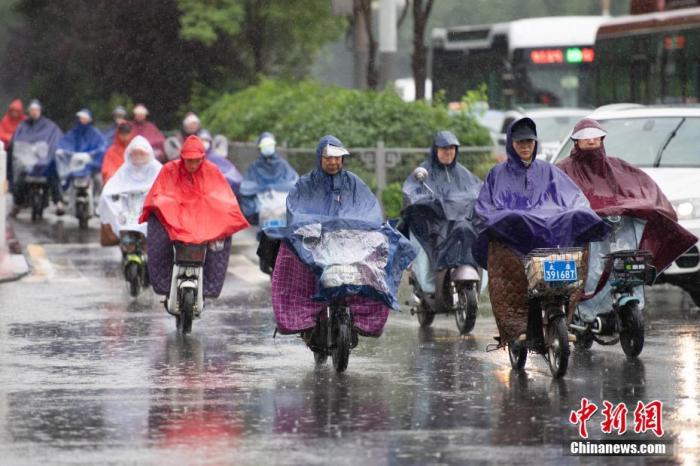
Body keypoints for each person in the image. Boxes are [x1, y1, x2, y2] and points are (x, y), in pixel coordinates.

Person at [474, 117, 609, 344]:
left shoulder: (548, 171)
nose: (526, 147)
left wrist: (577, 213)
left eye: (530, 142)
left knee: (578, 219)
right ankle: (519, 327)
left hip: (552, 239)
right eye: (520, 143)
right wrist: (511, 219)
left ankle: (561, 317)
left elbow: (574, 198)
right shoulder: (497, 174)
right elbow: (486, 208)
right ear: (511, 144)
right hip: (515, 242)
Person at [270, 135, 413, 342]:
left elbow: (369, 209)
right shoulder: (305, 184)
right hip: (316, 242)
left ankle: (363, 315)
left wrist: (357, 226)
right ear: (320, 158)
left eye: (338, 158)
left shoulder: (353, 182)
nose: (333, 162)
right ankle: (301, 315)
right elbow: (296, 210)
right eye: (329, 158)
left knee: (385, 251)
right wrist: (314, 226)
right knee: (288, 252)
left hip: (348, 241)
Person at [557, 118, 697, 325]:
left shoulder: (617, 166)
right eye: (585, 138)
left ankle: (619, 302)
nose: (591, 142)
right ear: (575, 141)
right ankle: (581, 311)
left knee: (624, 264)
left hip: (618, 233)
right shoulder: (564, 169)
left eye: (595, 137)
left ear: (602, 139)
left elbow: (640, 187)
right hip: (585, 237)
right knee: (587, 271)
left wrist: (642, 206)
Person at [139, 135, 249, 301]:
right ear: (182, 158)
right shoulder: (169, 169)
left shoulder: (212, 171)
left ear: (202, 159)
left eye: (196, 160)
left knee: (219, 243)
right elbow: (159, 194)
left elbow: (222, 196)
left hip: (202, 220)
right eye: (189, 160)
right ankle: (164, 283)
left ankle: (209, 285)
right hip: (176, 218)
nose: (193, 164)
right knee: (158, 236)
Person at [401, 130, 482, 294]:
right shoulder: (423, 171)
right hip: (433, 224)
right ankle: (428, 283)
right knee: (427, 242)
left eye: (452, 148)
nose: (449, 152)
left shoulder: (463, 173)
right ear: (435, 150)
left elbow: (478, 190)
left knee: (473, 233)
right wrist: (426, 202)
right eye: (444, 149)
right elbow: (410, 192)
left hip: (458, 221)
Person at [98, 135, 162, 246]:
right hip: (128, 212)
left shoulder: (157, 169)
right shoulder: (125, 170)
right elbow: (109, 190)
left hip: (149, 213)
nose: (138, 157)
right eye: (135, 154)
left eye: (141, 153)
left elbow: (166, 189)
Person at [8, 99, 64, 216]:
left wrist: (54, 150)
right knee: (20, 178)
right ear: (29, 111)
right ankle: (17, 204)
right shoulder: (23, 126)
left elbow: (57, 139)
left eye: (36, 110)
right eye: (32, 110)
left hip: (45, 162)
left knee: (54, 174)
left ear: (40, 111)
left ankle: (59, 202)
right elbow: (16, 141)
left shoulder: (49, 126)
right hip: (27, 163)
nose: (34, 112)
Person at [239, 131, 299, 225]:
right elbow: (246, 187)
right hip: (261, 199)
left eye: (270, 144)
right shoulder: (255, 166)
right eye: (264, 145)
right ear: (260, 147)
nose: (267, 147)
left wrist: (277, 189)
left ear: (274, 145)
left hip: (280, 198)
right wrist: (261, 189)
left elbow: (294, 182)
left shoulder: (282, 164)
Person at [56, 108, 107, 185]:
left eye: (85, 118)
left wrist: (90, 155)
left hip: (90, 164)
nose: (82, 120)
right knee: (63, 181)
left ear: (89, 119)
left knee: (99, 180)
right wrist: (63, 152)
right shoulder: (74, 132)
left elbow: (102, 146)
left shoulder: (95, 133)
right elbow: (64, 143)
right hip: (73, 163)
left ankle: (97, 195)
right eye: (81, 118)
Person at [199, 130, 243, 195]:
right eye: (202, 140)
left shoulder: (215, 157)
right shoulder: (194, 158)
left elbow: (233, 177)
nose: (204, 142)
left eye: (206, 140)